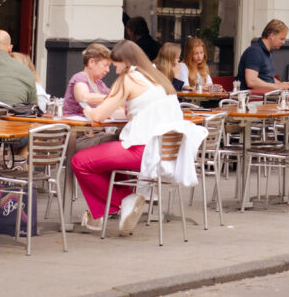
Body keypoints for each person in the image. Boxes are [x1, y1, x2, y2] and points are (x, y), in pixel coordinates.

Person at [71, 40, 205, 233]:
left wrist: (88, 113)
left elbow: (99, 115)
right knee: (106, 155)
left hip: (142, 150)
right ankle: (119, 206)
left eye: (116, 66)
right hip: (166, 153)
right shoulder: (157, 78)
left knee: (80, 161)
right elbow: (131, 112)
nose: (116, 72)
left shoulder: (130, 77)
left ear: (125, 62)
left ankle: (122, 202)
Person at [236, 19, 289, 91]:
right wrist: (278, 87)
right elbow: (251, 81)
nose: (283, 42)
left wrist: (284, 85)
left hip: (265, 97)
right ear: (272, 36)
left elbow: (267, 78)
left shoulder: (267, 52)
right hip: (253, 99)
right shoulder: (254, 52)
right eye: (281, 39)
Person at [63, 43, 114, 117]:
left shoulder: (100, 84)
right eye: (105, 65)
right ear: (91, 62)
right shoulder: (79, 78)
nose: (108, 70)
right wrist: (113, 98)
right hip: (77, 126)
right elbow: (84, 98)